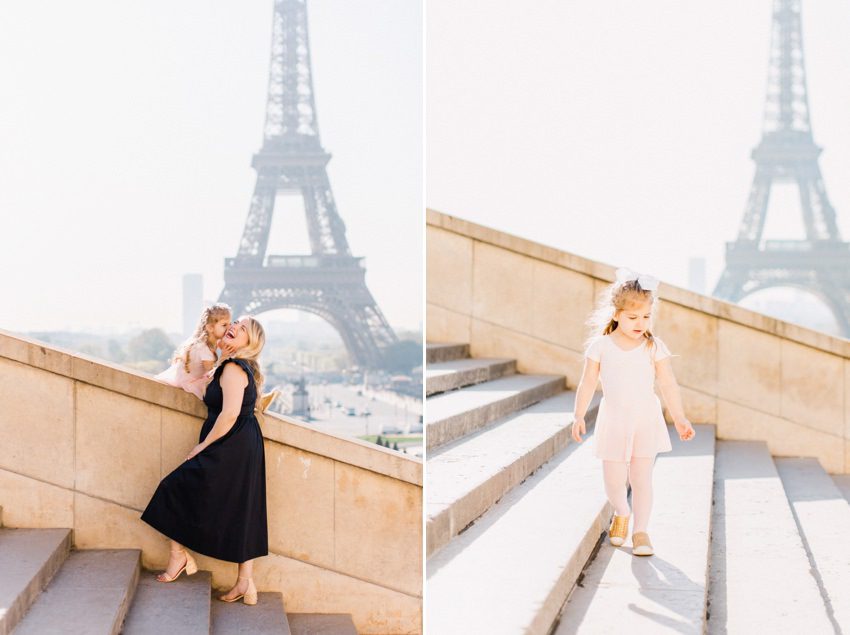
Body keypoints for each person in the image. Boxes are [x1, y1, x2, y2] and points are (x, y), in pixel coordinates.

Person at [141, 316, 269, 604]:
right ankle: (244, 583)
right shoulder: (231, 364)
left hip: (229, 441)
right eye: (235, 322)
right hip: (241, 441)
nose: (235, 326)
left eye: (243, 328)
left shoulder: (234, 368)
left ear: (250, 341)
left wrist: (202, 447)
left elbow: (229, 414)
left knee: (174, 487)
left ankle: (179, 557)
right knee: (243, 508)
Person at [571, 268, 695, 556]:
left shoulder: (653, 346)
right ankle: (621, 512)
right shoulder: (601, 346)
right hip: (614, 420)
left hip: (645, 420)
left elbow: (668, 384)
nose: (641, 323)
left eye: (646, 316)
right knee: (614, 481)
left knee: (642, 479)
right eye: (633, 317)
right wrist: (578, 415)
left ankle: (641, 532)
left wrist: (679, 418)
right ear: (616, 314)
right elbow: (588, 382)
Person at [155, 304, 232, 399]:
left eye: (230, 324)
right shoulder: (204, 350)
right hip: (190, 383)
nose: (229, 328)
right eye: (224, 325)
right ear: (210, 328)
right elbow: (212, 376)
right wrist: (223, 357)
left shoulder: (202, 343)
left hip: (184, 379)